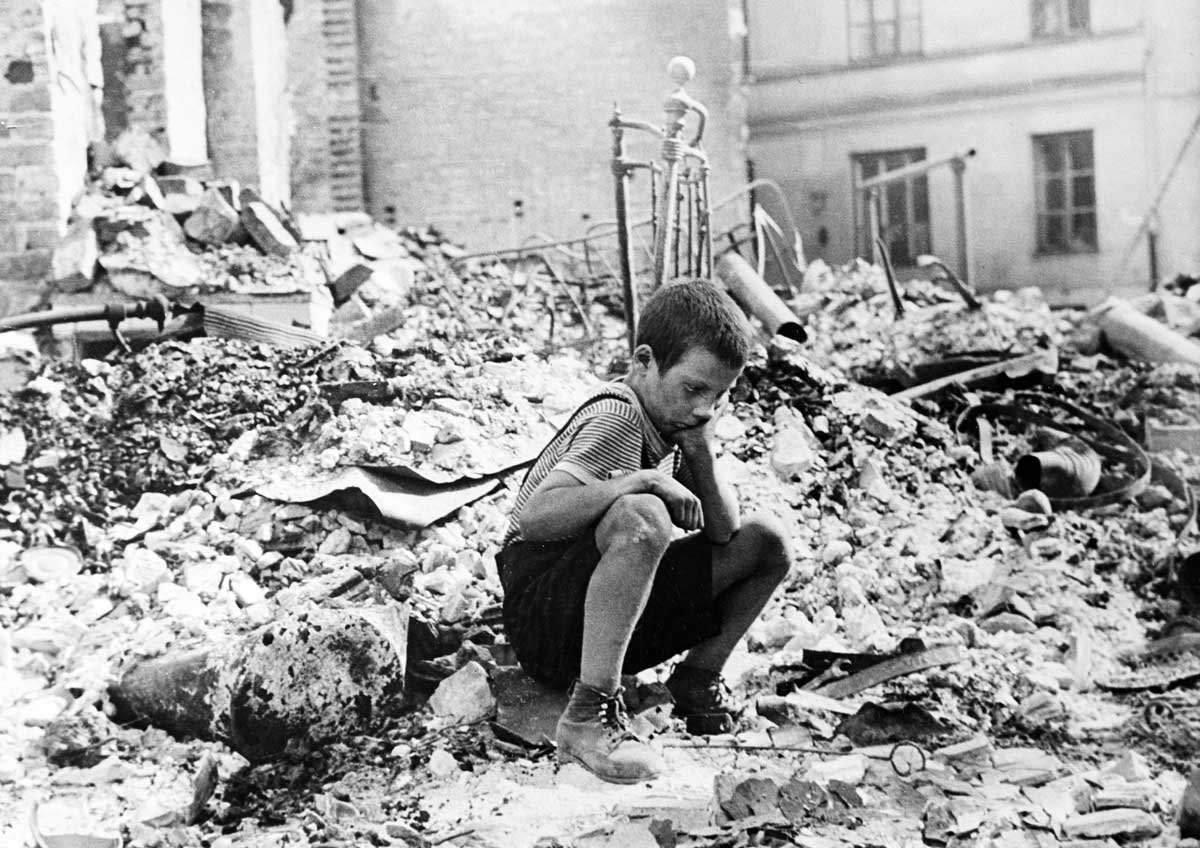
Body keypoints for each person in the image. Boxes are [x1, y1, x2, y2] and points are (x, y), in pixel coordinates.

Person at [496, 279, 791, 784]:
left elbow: (725, 533)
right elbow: (535, 518)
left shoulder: (675, 425)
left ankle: (696, 681)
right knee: (643, 515)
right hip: (542, 618)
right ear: (644, 362)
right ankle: (587, 717)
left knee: (766, 542)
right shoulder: (619, 416)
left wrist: (700, 450)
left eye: (718, 396)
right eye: (693, 388)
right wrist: (643, 480)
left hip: (598, 618)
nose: (703, 408)